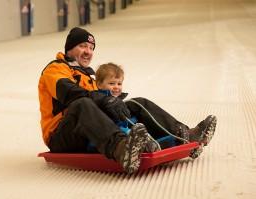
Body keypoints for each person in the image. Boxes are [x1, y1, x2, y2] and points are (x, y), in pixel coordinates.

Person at [38, 27, 151, 174]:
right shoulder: (55, 68)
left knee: (136, 104)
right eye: (83, 46)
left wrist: (115, 102)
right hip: (61, 136)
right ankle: (121, 149)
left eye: (91, 48)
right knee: (82, 103)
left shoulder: (90, 75)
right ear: (70, 48)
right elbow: (68, 92)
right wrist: (103, 99)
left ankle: (178, 133)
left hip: (89, 130)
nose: (88, 51)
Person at [95, 62, 217, 157]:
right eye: (111, 83)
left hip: (128, 136)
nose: (116, 87)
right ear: (99, 84)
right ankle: (176, 140)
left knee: (140, 111)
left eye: (119, 83)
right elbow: (110, 127)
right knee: (135, 111)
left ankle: (184, 137)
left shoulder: (118, 102)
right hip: (114, 140)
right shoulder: (99, 103)